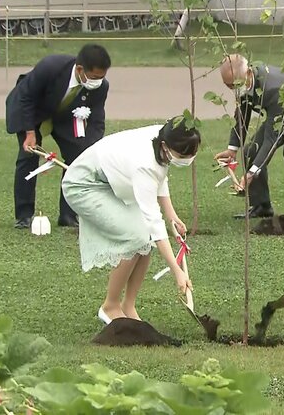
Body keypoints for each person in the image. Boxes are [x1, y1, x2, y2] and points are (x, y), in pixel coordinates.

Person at [61, 118, 199, 324]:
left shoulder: (166, 136)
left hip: (112, 180)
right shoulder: (144, 163)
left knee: (145, 239)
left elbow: (160, 176)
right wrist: (176, 270)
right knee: (136, 237)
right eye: (182, 156)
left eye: (192, 155)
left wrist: (171, 214)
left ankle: (128, 305)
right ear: (165, 147)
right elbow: (154, 223)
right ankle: (110, 306)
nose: (187, 160)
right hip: (84, 184)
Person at [214, 54, 284, 233]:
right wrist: (232, 149)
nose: (233, 89)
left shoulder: (272, 88)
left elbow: (271, 140)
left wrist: (250, 174)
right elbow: (242, 115)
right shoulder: (245, 85)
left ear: (249, 72)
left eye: (235, 85)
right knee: (251, 150)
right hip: (283, 113)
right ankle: (262, 205)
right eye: (228, 86)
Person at [6, 43, 111, 229]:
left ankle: (68, 216)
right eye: (94, 77)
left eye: (102, 77)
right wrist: (30, 132)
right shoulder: (51, 67)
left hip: (64, 116)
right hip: (32, 110)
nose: (98, 81)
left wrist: (93, 149)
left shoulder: (100, 87)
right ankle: (24, 215)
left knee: (77, 159)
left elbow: (96, 119)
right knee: (28, 156)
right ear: (80, 69)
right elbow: (26, 97)